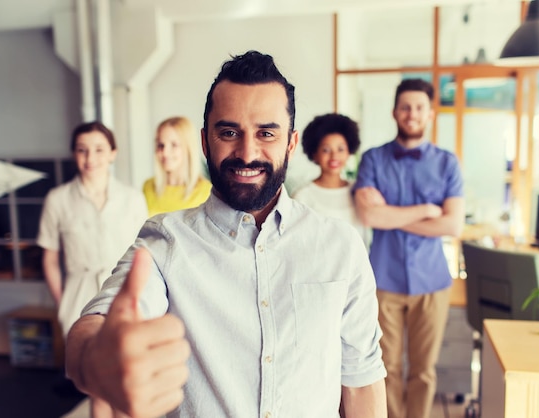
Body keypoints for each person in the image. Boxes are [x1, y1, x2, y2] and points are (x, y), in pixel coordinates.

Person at [65, 50, 387, 418]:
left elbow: (361, 379)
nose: (247, 152)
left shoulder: (339, 245)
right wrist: (95, 357)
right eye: (229, 132)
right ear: (205, 142)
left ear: (291, 144)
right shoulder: (166, 240)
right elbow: (97, 322)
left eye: (266, 133)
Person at [353, 78, 465, 418]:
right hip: (383, 280)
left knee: (423, 369)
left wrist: (391, 216)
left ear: (430, 113)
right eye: (405, 106)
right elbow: (367, 214)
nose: (411, 113)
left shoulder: (447, 163)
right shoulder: (372, 159)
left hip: (432, 281)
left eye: (419, 107)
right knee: (385, 366)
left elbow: (452, 225)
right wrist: (426, 211)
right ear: (394, 112)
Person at [37, 121, 148, 417]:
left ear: (113, 153)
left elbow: (144, 252)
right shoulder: (57, 199)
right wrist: (62, 303)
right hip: (78, 296)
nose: (91, 158)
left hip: (122, 294)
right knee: (95, 386)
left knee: (127, 382)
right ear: (74, 154)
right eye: (82, 150)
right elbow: (49, 258)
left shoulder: (133, 198)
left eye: (99, 150)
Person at [293, 113, 370, 245]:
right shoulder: (302, 196)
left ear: (349, 152)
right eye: (326, 150)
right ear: (314, 154)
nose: (334, 156)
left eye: (341, 149)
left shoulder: (359, 191)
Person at [143, 116, 212, 216]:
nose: (165, 153)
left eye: (174, 145)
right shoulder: (148, 187)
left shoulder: (206, 192)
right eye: (160, 145)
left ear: (188, 148)